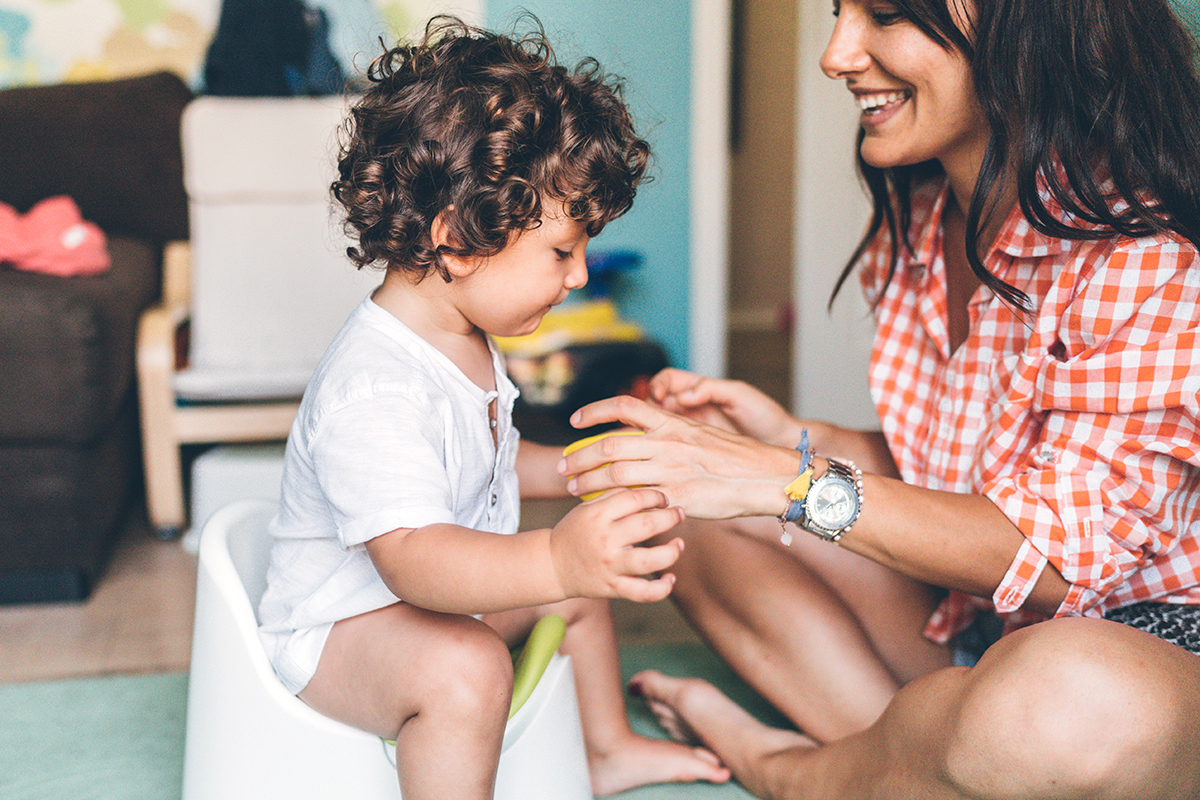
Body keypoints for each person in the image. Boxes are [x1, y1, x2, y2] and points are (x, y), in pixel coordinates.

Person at [558, 0, 1200, 797]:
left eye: (887, 14)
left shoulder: (1145, 254)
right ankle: (924, 760)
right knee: (669, 511)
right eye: (838, 12)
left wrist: (785, 479)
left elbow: (1060, 566)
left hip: (1142, 655)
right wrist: (793, 438)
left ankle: (792, 769)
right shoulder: (924, 223)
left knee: (1072, 704)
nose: (835, 55)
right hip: (985, 633)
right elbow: (973, 471)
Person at [255, 17, 731, 799]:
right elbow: (413, 557)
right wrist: (553, 557)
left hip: (425, 607)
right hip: (337, 635)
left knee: (574, 593)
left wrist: (600, 470)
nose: (578, 276)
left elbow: (492, 459)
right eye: (560, 251)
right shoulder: (376, 385)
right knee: (468, 666)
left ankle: (603, 751)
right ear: (458, 241)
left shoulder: (462, 335)